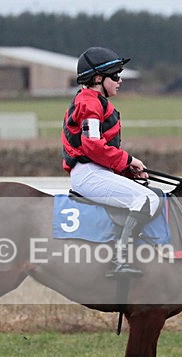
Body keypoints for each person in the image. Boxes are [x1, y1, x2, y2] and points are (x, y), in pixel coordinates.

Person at [62, 46, 159, 278]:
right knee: (147, 199)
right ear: (98, 79)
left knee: (151, 193)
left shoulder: (94, 100)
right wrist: (128, 160)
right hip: (89, 174)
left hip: (96, 171)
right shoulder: (90, 103)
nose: (120, 80)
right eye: (115, 76)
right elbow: (92, 146)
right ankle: (120, 259)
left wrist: (127, 169)